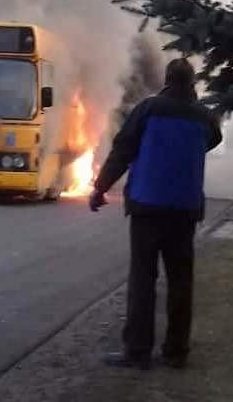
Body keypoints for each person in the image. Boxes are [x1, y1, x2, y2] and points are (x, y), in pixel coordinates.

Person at [89, 58, 222, 370]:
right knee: (180, 282)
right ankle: (176, 352)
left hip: (147, 207)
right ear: (192, 84)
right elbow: (215, 138)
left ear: (166, 79)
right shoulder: (204, 118)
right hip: (185, 210)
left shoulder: (148, 109)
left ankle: (137, 351)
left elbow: (123, 149)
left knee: (143, 280)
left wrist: (100, 187)